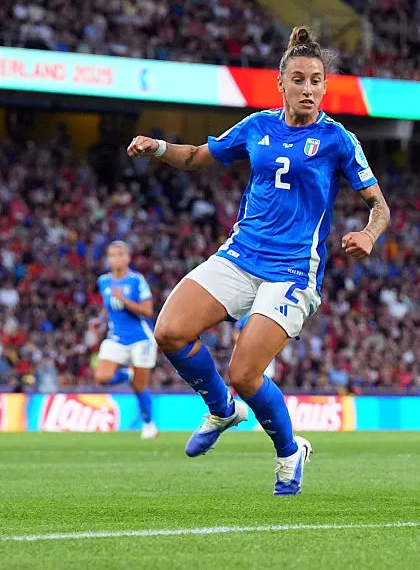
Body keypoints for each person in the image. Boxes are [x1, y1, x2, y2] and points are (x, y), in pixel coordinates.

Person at [126, 27, 390, 496]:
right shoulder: (256, 127)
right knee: (169, 331)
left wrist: (369, 234)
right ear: (281, 83)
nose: (307, 89)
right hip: (240, 255)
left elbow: (380, 205)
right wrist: (159, 148)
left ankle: (290, 452)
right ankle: (222, 409)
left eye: (316, 81)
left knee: (245, 372)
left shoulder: (338, 139)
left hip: (292, 272)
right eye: (299, 80)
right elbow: (197, 157)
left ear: (325, 87)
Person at [93, 241, 158, 440]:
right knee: (102, 377)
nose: (116, 258)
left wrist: (125, 300)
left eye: (120, 254)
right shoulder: (103, 281)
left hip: (141, 339)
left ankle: (149, 424)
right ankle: (128, 375)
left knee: (140, 386)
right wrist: (100, 319)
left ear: (128, 257)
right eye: (112, 255)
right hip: (116, 337)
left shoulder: (136, 280)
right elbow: (109, 305)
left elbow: (147, 311)